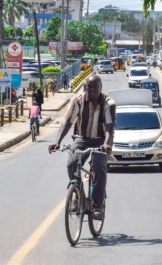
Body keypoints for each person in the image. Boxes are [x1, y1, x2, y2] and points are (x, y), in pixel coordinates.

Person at [48, 75, 116, 221]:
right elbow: (68, 121)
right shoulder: (78, 100)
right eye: (89, 86)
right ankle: (79, 197)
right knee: (72, 163)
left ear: (101, 87)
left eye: (95, 87)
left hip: (101, 140)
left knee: (99, 165)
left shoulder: (109, 103)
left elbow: (110, 126)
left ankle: (97, 204)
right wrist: (57, 141)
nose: (91, 90)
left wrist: (107, 144)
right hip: (82, 138)